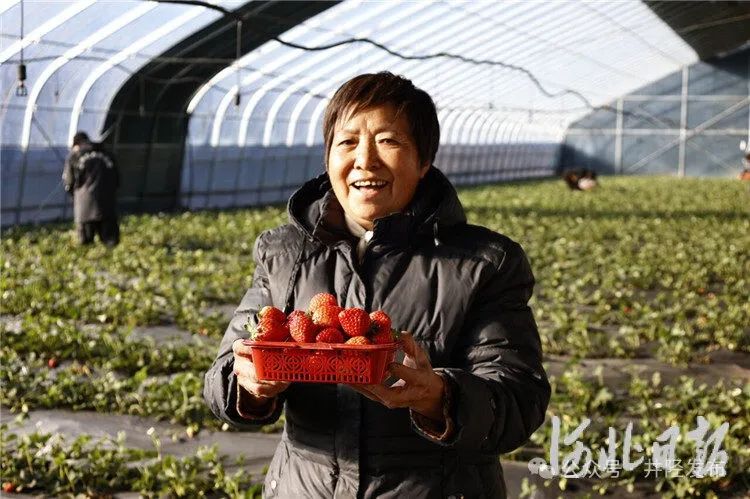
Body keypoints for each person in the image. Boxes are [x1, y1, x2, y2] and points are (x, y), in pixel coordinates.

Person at [203, 72, 550, 498]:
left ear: (424, 160)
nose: (365, 161)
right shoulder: (283, 253)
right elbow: (223, 376)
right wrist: (248, 386)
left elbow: (518, 398)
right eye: (347, 142)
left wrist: (439, 396)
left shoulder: (485, 264)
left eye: (388, 140)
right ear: (328, 156)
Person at [62, 131, 120, 246]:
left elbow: (69, 182)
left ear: (76, 144)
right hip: (107, 207)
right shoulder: (108, 154)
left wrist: (75, 196)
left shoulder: (74, 156)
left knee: (86, 245)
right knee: (111, 243)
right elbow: (117, 180)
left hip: (84, 208)